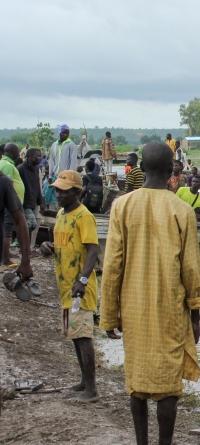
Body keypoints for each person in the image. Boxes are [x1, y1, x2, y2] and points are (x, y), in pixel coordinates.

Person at [99, 142, 200, 445]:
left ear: (141, 168)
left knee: (137, 381)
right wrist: (195, 316)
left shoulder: (122, 205)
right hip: (170, 309)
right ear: (173, 169)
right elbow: (190, 270)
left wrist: (109, 315)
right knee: (168, 386)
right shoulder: (182, 210)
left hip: (133, 308)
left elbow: (113, 265)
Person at [40, 170, 117, 403]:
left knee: (83, 337)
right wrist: (49, 246)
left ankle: (92, 389)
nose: (59, 194)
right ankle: (84, 380)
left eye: (64, 191)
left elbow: (93, 249)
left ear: (78, 191)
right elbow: (65, 242)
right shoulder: (63, 214)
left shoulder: (84, 216)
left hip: (80, 288)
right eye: (57, 190)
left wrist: (83, 280)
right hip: (66, 286)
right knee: (75, 336)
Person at [1, 143, 25, 266]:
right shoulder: (8, 166)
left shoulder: (4, 164)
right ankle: (5, 257)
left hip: (10, 204)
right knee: (7, 230)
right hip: (10, 205)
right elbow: (7, 187)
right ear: (13, 152)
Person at [18, 148, 47, 250]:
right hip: (24, 203)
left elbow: (38, 188)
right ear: (29, 157)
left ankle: (26, 248)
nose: (40, 158)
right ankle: (24, 248)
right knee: (31, 224)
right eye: (37, 156)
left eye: (40, 155)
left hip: (32, 203)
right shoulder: (21, 169)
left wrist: (41, 203)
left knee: (29, 227)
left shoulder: (36, 170)